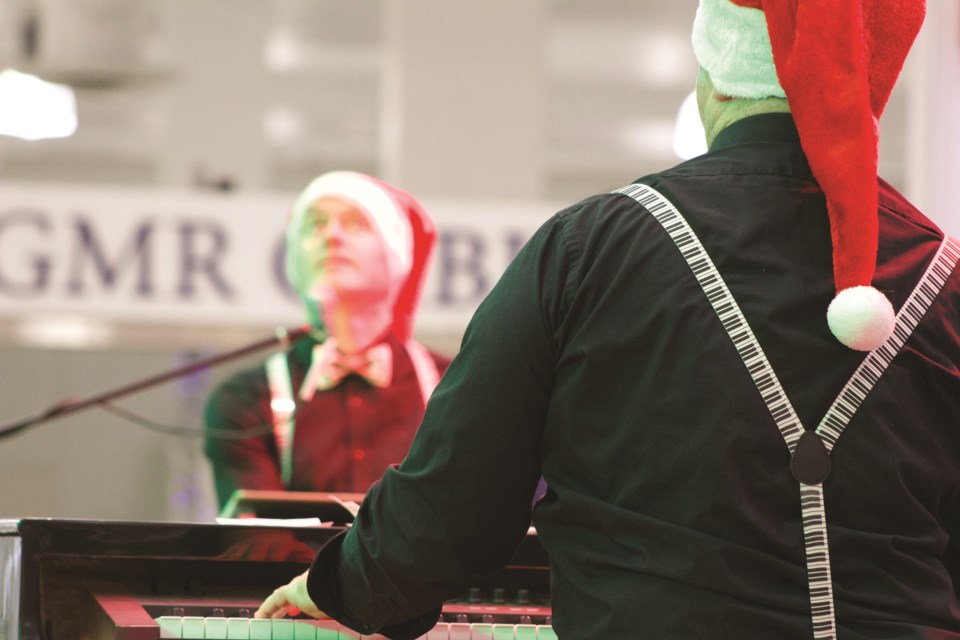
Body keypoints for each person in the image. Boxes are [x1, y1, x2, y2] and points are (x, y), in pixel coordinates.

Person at [257, 1, 960, 638]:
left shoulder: (590, 247)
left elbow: (453, 506)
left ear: (715, 86)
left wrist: (345, 586)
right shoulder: (945, 277)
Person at [204, 171, 450, 508]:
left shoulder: (455, 389)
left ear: (396, 254)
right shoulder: (245, 400)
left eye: (355, 225)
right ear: (294, 259)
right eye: (314, 226)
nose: (332, 237)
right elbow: (257, 541)